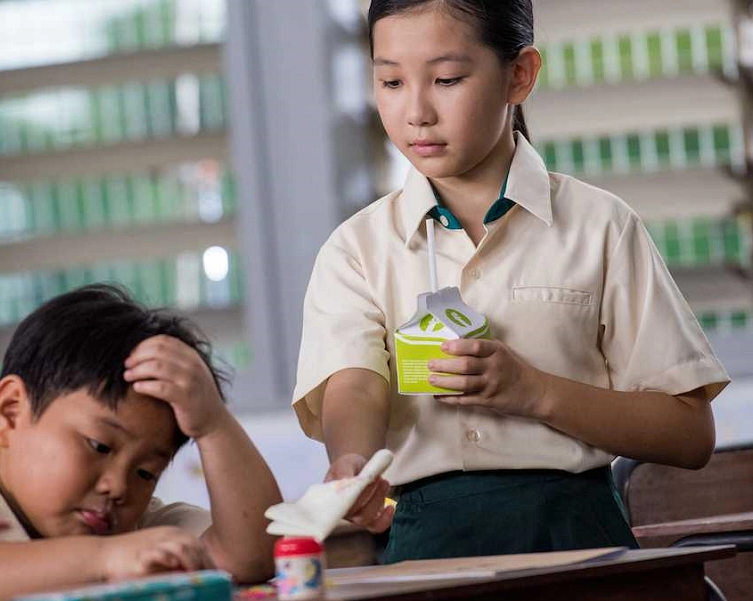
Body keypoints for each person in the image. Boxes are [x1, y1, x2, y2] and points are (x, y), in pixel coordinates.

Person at [292, 0, 729, 562]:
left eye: (446, 79)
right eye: (391, 81)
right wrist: (351, 461)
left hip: (581, 540)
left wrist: (535, 392)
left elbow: (690, 434)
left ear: (518, 75)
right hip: (429, 548)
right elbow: (355, 382)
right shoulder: (356, 250)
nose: (416, 111)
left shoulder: (600, 226)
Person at [0, 284, 281, 599]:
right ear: (10, 413)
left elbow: (251, 557)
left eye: (145, 472)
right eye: (99, 445)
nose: (118, 487)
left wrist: (213, 425)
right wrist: (104, 560)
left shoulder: (136, 532)